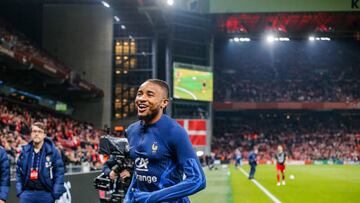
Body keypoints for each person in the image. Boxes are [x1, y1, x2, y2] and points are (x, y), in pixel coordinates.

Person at [121, 79, 206, 203]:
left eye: (149, 95)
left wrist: (152, 198)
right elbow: (139, 170)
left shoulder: (174, 132)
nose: (141, 98)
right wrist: (129, 198)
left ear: (164, 103)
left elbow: (198, 179)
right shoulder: (131, 131)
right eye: (139, 94)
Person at [16, 122, 66, 203]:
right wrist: (20, 191)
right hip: (27, 194)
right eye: (34, 131)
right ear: (31, 134)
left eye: (39, 132)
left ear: (44, 135)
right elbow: (18, 171)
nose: (36, 134)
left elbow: (59, 173)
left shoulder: (53, 152)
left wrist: (54, 194)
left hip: (46, 194)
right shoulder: (25, 151)